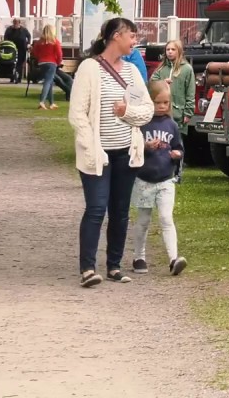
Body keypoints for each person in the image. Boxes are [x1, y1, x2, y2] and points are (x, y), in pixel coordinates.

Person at [69, 17, 155, 288]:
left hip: (126, 153)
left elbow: (148, 110)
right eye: (132, 35)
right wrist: (91, 146)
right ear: (116, 35)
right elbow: (77, 114)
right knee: (96, 208)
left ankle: (114, 266)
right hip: (98, 154)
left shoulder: (132, 71)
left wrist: (126, 112)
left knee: (119, 211)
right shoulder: (89, 68)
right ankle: (87, 268)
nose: (135, 41)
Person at [131, 81, 188, 276]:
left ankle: (174, 258)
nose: (162, 106)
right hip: (144, 179)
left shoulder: (171, 125)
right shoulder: (141, 124)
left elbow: (178, 147)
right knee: (143, 220)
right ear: (149, 101)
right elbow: (133, 148)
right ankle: (139, 256)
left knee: (166, 218)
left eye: (166, 102)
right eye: (158, 102)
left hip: (165, 180)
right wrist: (146, 147)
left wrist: (177, 154)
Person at [150, 40, 196, 182]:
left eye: (173, 49)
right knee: (162, 143)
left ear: (179, 51)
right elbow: (152, 84)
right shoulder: (161, 68)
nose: (169, 52)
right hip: (162, 114)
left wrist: (188, 112)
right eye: (167, 49)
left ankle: (177, 174)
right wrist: (162, 82)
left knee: (178, 144)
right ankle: (162, 170)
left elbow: (190, 92)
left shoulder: (187, 69)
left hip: (178, 114)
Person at [32, 25, 65, 110]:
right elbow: (59, 54)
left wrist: (40, 58)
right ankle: (42, 101)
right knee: (48, 82)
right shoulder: (55, 41)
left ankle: (51, 103)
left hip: (42, 63)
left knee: (49, 82)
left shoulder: (39, 42)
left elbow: (35, 52)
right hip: (52, 63)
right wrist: (58, 62)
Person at [3, 17, 31, 83]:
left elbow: (29, 36)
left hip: (22, 48)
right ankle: (12, 76)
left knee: (20, 63)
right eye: (14, 23)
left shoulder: (23, 29)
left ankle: (19, 77)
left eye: (17, 23)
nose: (15, 24)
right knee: (11, 62)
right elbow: (5, 37)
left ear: (19, 23)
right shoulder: (9, 29)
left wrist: (28, 43)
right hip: (11, 48)